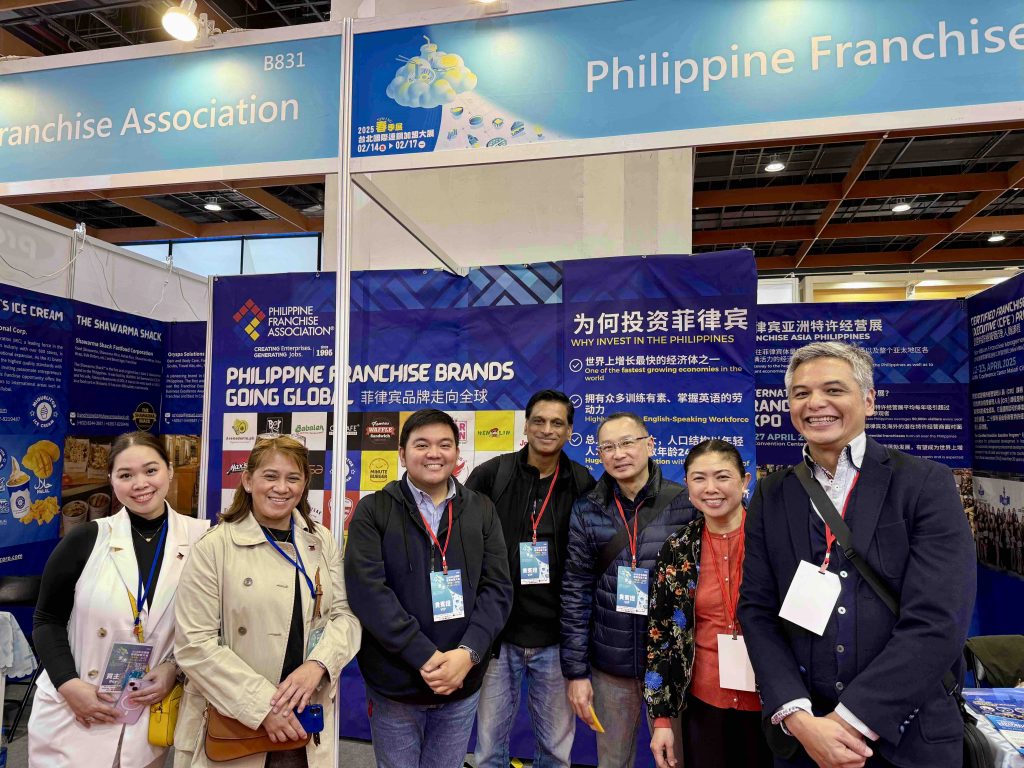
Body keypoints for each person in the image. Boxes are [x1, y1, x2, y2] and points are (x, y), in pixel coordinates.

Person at [738, 342, 976, 768]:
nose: (816, 404)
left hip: (909, 739)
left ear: (868, 401)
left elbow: (938, 621)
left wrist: (848, 722)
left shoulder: (924, 484)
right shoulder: (772, 494)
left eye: (834, 389)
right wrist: (797, 717)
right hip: (805, 740)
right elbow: (757, 610)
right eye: (801, 394)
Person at [173, 434, 361, 768]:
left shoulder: (321, 541)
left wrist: (317, 665)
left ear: (304, 486)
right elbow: (194, 645)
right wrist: (262, 707)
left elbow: (345, 616)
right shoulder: (214, 547)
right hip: (236, 719)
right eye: (270, 476)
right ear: (247, 480)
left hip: (305, 716)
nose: (281, 487)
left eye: (293, 478)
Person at [29, 431, 210, 767]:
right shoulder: (85, 539)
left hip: (143, 713)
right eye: (126, 475)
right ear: (111, 480)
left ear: (169, 470)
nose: (140, 483)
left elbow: (212, 628)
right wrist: (68, 685)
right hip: (74, 710)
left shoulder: (204, 540)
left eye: (150, 470)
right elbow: (47, 620)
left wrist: (176, 669)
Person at [344, 408, 513, 768]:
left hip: (461, 681)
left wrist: (467, 654)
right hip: (396, 684)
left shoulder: (482, 509)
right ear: (402, 454)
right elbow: (368, 593)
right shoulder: (373, 511)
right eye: (421, 444)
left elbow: (497, 589)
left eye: (444, 444)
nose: (434, 453)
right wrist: (425, 655)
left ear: (457, 453)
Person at [467, 390, 596, 768]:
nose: (547, 429)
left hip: (556, 639)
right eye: (539, 420)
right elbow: (460, 538)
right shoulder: (493, 474)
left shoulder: (582, 483)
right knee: (489, 749)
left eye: (557, 422)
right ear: (526, 425)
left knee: (556, 752)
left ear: (570, 431)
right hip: (497, 635)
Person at [560, 412, 695, 768]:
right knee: (613, 760)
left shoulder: (686, 503)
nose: (618, 453)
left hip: (671, 667)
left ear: (650, 445)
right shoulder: (587, 509)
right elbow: (576, 592)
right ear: (599, 455)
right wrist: (576, 671)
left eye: (627, 442)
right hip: (611, 668)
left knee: (674, 759)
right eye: (608, 447)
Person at [644, 439, 771, 768]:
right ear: (687, 486)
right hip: (703, 704)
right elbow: (660, 636)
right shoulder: (678, 548)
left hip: (775, 702)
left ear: (745, 482)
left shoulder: (775, 539)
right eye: (699, 478)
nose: (711, 488)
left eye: (722, 477)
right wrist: (661, 720)